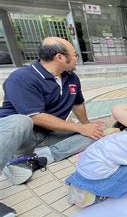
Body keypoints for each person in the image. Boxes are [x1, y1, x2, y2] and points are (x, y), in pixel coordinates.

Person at [0, 37, 102, 186]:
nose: (76, 59)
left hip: (48, 133)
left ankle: (36, 158)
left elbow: (78, 104)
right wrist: (80, 127)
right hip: (21, 136)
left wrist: (88, 126)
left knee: (95, 135)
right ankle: (13, 155)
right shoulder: (22, 77)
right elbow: (36, 117)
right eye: (75, 55)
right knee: (22, 121)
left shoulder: (71, 77)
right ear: (60, 57)